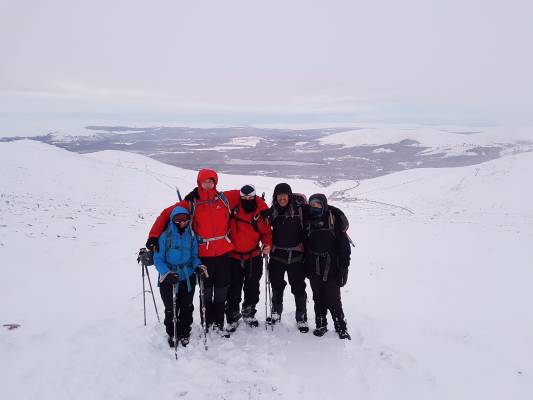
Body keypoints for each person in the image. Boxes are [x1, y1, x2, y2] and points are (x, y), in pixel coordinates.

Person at [146, 169, 241, 335]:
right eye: (204, 181)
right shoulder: (191, 203)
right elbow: (167, 214)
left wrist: (263, 208)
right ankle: (206, 322)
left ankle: (218, 322)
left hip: (224, 252)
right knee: (206, 288)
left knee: (221, 288)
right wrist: (154, 236)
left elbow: (246, 194)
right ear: (199, 183)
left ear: (215, 182)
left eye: (211, 181)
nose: (208, 184)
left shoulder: (224, 198)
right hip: (203, 253)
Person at [153, 206, 206, 347]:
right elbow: (158, 259)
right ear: (173, 220)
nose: (182, 222)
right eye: (178, 219)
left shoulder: (191, 236)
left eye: (185, 219)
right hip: (168, 279)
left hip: (187, 277)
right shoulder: (165, 236)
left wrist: (198, 266)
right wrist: (166, 273)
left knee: (187, 307)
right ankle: (172, 333)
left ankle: (184, 332)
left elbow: (194, 256)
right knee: (171, 308)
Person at [261, 183, 309, 333]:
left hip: (296, 258)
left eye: (284, 195)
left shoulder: (301, 210)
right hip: (277, 256)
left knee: (299, 288)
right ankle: (276, 312)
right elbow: (264, 228)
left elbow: (318, 212)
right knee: (276, 285)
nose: (282, 198)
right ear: (275, 197)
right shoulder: (273, 211)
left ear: (289, 195)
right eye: (279, 195)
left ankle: (301, 317)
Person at [225, 184, 272, 331]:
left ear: (255, 197)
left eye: (250, 198)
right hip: (233, 256)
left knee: (252, 287)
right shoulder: (232, 209)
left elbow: (266, 233)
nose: (247, 200)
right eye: (244, 197)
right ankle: (232, 316)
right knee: (233, 288)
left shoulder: (260, 213)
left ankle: (248, 312)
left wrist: (267, 244)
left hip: (253, 256)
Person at [305, 193, 351, 339]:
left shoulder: (334, 220)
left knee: (333, 297)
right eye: (312, 204)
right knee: (318, 297)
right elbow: (305, 245)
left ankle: (340, 326)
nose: (315, 207)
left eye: (318, 204)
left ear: (324, 205)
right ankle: (321, 324)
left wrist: (344, 269)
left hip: (332, 266)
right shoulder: (307, 220)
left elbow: (344, 247)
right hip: (314, 266)